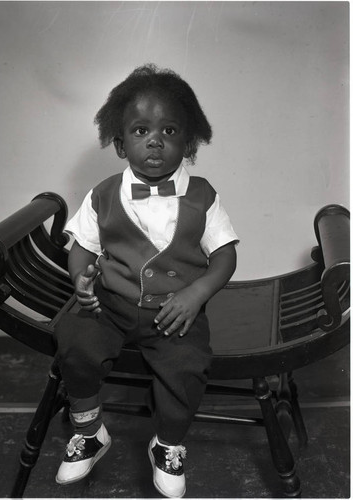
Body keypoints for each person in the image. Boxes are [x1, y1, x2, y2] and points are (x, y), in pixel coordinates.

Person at [54, 63, 239, 498]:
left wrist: (196, 293)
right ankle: (90, 431)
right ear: (120, 144)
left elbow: (226, 255)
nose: (155, 140)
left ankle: (168, 443)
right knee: (75, 337)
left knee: (186, 366)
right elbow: (82, 245)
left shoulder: (203, 196)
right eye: (140, 131)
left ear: (188, 143)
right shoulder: (102, 194)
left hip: (174, 310)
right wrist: (81, 278)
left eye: (170, 131)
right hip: (110, 304)